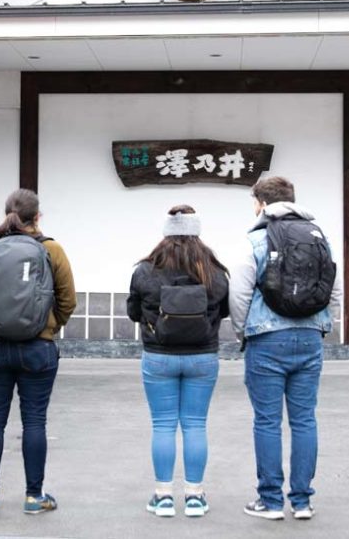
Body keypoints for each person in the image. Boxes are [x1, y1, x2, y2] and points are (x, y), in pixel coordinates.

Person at [229, 176, 342, 521]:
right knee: (304, 420)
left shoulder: (256, 239)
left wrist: (242, 332)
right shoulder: (319, 237)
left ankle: (271, 501)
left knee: (267, 421)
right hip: (309, 338)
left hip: (266, 339)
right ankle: (303, 501)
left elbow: (239, 293)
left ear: (262, 204)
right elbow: (334, 290)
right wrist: (323, 325)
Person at [0, 188, 76, 515]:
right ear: (38, 217)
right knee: (35, 421)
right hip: (38, 349)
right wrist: (47, 327)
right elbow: (69, 300)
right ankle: (33, 497)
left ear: (6, 215)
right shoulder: (52, 250)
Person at [127, 205, 230, 519]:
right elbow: (224, 311)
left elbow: (133, 312)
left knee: (163, 425)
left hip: (159, 357)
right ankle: (195, 497)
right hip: (202, 357)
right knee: (195, 425)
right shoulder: (214, 270)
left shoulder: (145, 270)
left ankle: (163, 497)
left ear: (165, 233)